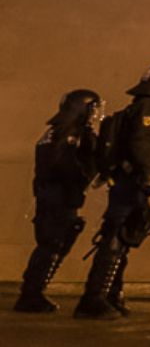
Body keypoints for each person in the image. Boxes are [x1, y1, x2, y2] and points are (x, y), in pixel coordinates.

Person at [75, 65, 150, 320]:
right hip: (130, 180)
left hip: (122, 178)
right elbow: (142, 142)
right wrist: (149, 173)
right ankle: (94, 298)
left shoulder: (135, 106)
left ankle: (111, 293)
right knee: (117, 235)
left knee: (123, 234)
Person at [15, 89, 102, 313]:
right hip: (60, 196)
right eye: (93, 109)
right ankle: (32, 294)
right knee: (53, 244)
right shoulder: (69, 132)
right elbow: (65, 166)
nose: (96, 114)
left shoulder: (55, 131)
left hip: (50, 195)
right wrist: (86, 173)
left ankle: (33, 291)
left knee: (52, 242)